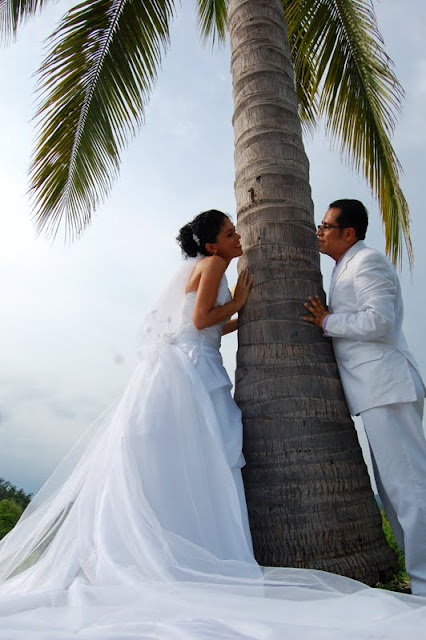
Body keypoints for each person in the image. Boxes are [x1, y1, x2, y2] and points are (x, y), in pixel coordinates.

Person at [0, 208, 425, 639]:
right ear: (211, 245)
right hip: (192, 374)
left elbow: (203, 325)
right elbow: (203, 320)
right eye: (229, 232)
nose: (237, 236)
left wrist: (249, 317)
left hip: (221, 368)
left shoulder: (224, 264)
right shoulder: (213, 265)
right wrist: (240, 303)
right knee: (209, 461)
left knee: (209, 462)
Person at [303, 198, 426, 598]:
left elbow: (381, 320)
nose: (319, 231)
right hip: (375, 391)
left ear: (349, 233)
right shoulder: (344, 266)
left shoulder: (367, 262)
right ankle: (420, 579)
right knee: (393, 491)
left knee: (410, 489)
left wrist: (327, 321)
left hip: (387, 387)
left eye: (326, 226)